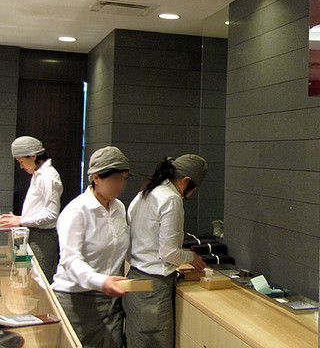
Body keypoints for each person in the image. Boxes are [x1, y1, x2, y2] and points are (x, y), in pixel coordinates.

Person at [124, 154, 208, 348]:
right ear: (186, 181)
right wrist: (190, 256)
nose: (192, 193)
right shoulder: (171, 199)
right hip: (154, 288)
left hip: (134, 278)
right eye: (194, 189)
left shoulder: (146, 191)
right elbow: (168, 253)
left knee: (136, 340)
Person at [51, 146, 131, 348]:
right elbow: (70, 260)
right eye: (115, 179)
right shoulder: (77, 211)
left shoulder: (119, 208)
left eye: (124, 179)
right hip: (77, 299)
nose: (121, 185)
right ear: (96, 178)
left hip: (110, 300)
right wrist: (101, 281)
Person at [0, 136, 63, 282]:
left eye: (21, 161)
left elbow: (51, 214)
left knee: (41, 280)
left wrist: (21, 221)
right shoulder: (38, 174)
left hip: (43, 238)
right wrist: (18, 219)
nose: (21, 167)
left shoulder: (48, 176)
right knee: (27, 278)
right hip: (32, 234)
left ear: (33, 156)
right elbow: (38, 208)